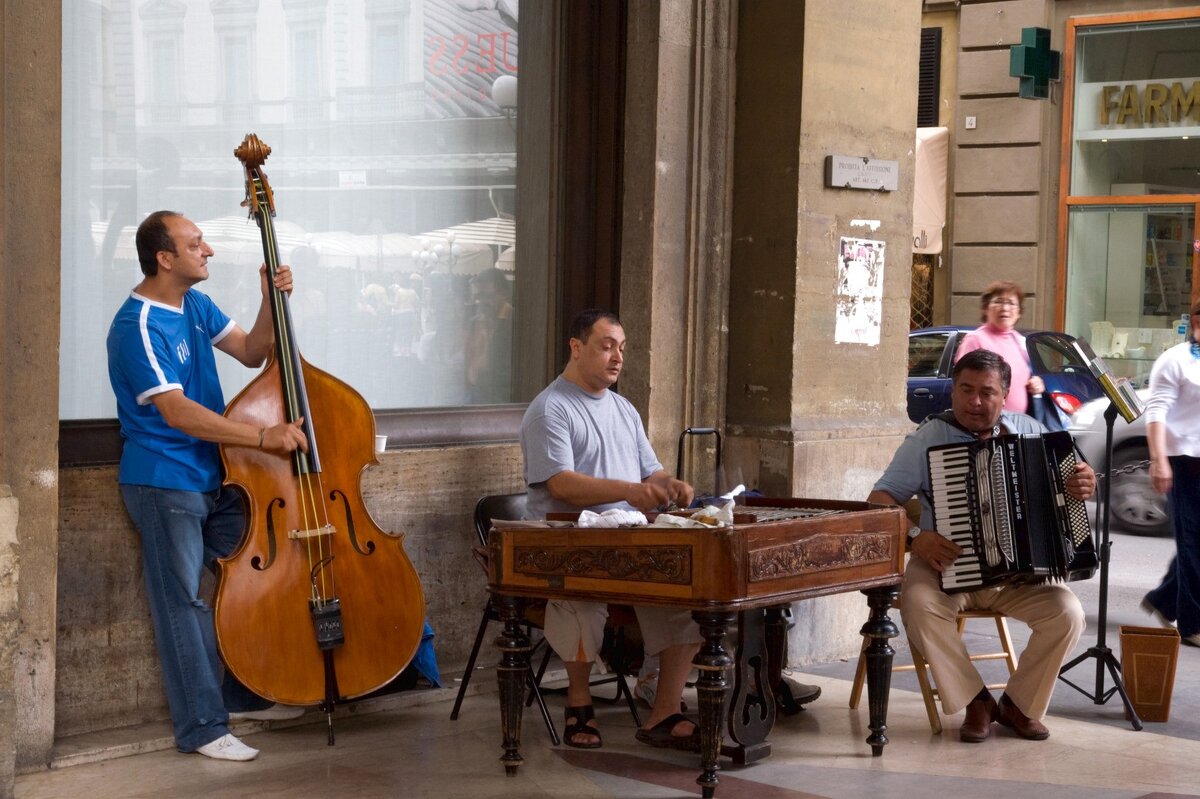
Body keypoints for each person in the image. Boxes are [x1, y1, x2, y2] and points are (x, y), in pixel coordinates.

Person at [106, 211, 309, 761]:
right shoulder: (137, 325)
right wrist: (261, 437)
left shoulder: (194, 304)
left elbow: (253, 351)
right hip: (164, 482)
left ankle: (242, 692)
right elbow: (178, 414)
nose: (209, 250)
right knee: (183, 604)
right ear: (165, 258)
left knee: (249, 578)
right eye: (196, 243)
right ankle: (201, 727)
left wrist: (271, 299)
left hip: (216, 477)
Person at [868, 348, 1095, 743]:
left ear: (1004, 394)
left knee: (1068, 613)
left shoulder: (1030, 430)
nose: (974, 401)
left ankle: (1018, 706)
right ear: (953, 391)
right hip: (945, 564)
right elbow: (879, 499)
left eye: (986, 392)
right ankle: (976, 701)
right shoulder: (927, 438)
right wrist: (916, 538)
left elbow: (1072, 484)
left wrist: (1084, 483)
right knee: (918, 603)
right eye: (965, 389)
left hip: (1019, 575)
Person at [519, 309, 702, 751]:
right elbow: (561, 483)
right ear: (576, 347)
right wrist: (630, 490)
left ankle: (665, 711)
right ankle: (579, 703)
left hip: (629, 543)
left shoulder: (623, 409)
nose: (617, 357)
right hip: (568, 545)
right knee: (580, 601)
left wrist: (669, 485)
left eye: (621, 347)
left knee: (686, 597)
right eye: (606, 346)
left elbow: (651, 472)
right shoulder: (551, 409)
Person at [1141, 299, 1200, 646]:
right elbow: (1156, 411)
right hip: (1183, 461)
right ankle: (1191, 623)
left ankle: (1163, 599)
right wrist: (1158, 459)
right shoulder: (1175, 360)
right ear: (1195, 321)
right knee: (1191, 541)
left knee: (1196, 545)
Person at [955, 280, 1044, 415]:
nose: (1005, 308)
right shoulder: (975, 340)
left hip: (1017, 425)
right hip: (987, 426)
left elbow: (1023, 377)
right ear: (986, 308)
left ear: (1019, 312)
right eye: (999, 301)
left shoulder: (1017, 340)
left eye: (1011, 303)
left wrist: (1035, 384)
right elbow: (963, 385)